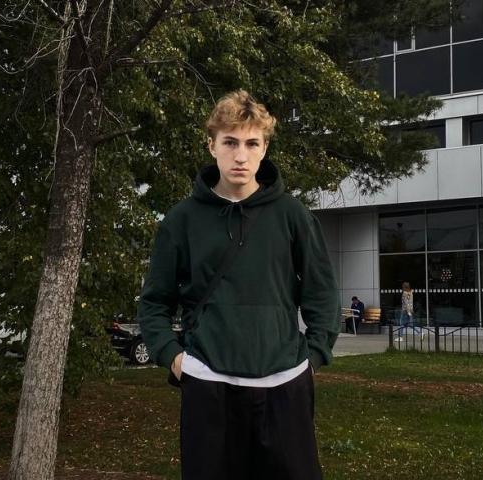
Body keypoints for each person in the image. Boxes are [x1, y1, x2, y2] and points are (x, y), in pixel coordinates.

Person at [138, 89, 341, 480]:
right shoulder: (182, 219)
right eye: (230, 142)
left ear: (264, 149)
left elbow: (322, 291)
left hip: (284, 383)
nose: (241, 156)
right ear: (211, 145)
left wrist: (313, 358)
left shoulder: (292, 215)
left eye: (252, 143)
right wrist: (174, 358)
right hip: (208, 384)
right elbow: (154, 301)